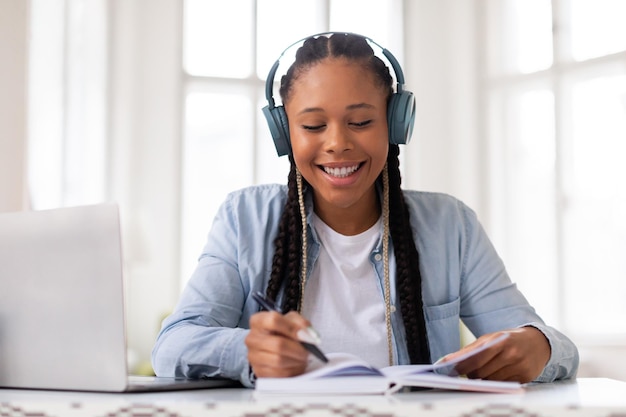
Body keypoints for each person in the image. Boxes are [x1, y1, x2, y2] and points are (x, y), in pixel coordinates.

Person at [151, 32, 578, 387]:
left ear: (395, 124)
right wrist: (246, 351)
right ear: (284, 133)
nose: (337, 143)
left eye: (360, 122)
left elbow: (552, 345)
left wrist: (537, 346)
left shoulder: (451, 227)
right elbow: (172, 346)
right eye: (313, 125)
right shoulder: (243, 218)